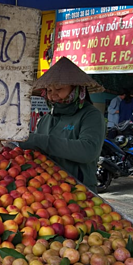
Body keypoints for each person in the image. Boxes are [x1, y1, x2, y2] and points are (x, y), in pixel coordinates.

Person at [17, 57, 105, 192]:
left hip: (79, 190)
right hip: (48, 189)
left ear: (77, 89)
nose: (53, 96)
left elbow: (88, 151)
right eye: (49, 91)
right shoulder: (46, 119)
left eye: (58, 89)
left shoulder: (91, 116)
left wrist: (37, 140)